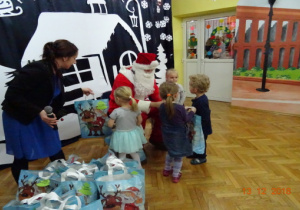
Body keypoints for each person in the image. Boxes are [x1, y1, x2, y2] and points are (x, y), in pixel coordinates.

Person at [1, 39, 94, 183]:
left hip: (39, 115)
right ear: (64, 58)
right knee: (22, 156)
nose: (75, 62)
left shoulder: (55, 71)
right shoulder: (37, 70)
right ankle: (24, 188)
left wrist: (80, 91)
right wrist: (39, 112)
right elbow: (12, 96)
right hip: (20, 117)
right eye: (74, 58)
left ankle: (67, 181)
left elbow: (56, 96)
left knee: (54, 147)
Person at [108, 53, 164, 149]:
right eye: (147, 70)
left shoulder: (147, 74)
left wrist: (163, 103)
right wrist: (154, 104)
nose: (149, 73)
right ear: (139, 68)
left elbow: (154, 92)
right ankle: (136, 147)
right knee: (138, 117)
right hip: (123, 106)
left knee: (163, 111)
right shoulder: (123, 78)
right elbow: (126, 100)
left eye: (151, 70)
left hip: (142, 104)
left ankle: (157, 139)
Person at [159, 82, 196, 183]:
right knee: (178, 155)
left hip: (166, 134)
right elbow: (186, 119)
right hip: (179, 135)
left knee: (170, 151)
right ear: (176, 95)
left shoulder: (162, 106)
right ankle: (176, 174)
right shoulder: (179, 108)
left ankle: (166, 169)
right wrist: (192, 111)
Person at [107, 86, 147, 168]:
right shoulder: (135, 109)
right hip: (133, 134)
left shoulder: (116, 112)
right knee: (134, 153)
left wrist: (115, 125)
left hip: (121, 135)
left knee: (122, 154)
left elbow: (110, 124)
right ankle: (139, 167)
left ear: (118, 99)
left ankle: (122, 168)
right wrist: (134, 124)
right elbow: (140, 121)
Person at [187, 74, 212, 165]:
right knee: (195, 140)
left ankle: (202, 157)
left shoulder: (202, 101)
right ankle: (195, 153)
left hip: (201, 127)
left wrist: (203, 129)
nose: (189, 86)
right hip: (196, 125)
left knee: (201, 141)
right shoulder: (198, 98)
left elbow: (205, 115)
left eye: (190, 85)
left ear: (195, 89)